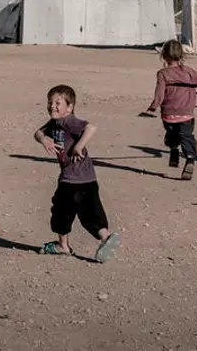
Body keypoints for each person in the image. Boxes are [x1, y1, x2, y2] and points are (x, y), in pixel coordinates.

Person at [34, 84, 120, 262]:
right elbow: (38, 132)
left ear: (70, 106)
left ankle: (63, 246)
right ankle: (106, 237)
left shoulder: (68, 121)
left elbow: (91, 128)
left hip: (72, 179)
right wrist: (44, 139)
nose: (52, 106)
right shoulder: (54, 123)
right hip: (87, 177)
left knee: (61, 212)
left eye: (58, 103)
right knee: (89, 211)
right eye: (50, 102)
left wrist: (78, 146)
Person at [143, 40, 197, 180]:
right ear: (181, 55)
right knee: (186, 135)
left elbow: (159, 94)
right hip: (186, 113)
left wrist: (152, 108)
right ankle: (189, 158)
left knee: (171, 133)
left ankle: (173, 149)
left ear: (164, 56)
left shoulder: (163, 73)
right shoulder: (189, 71)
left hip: (168, 113)